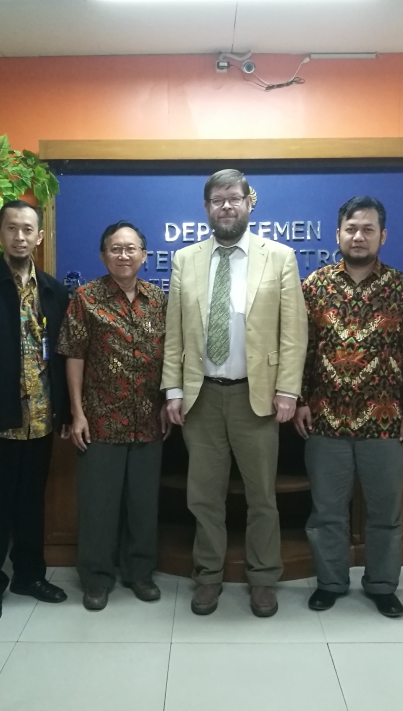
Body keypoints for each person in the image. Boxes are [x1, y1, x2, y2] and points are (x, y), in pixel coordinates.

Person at [162, 169, 308, 618]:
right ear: (207, 208)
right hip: (201, 397)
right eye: (217, 200)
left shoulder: (279, 257)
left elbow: (293, 332)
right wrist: (172, 389)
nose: (226, 206)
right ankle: (207, 576)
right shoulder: (185, 259)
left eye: (234, 198)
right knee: (203, 496)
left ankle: (263, 578)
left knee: (262, 496)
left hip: (256, 397)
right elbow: (174, 332)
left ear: (249, 203)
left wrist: (288, 390)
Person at [295, 196, 403, 617]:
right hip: (325, 420)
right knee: (326, 512)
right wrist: (300, 399)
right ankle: (330, 582)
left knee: (385, 513)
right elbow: (300, 349)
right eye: (351, 229)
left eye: (368, 229)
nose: (359, 236)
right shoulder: (314, 286)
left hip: (385, 423)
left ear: (382, 236)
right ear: (338, 234)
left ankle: (382, 584)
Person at [0, 200, 71, 624]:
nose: (20, 237)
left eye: (28, 230)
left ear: (39, 237)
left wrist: (64, 411)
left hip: (40, 418)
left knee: (31, 505)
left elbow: (60, 355)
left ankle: (29, 575)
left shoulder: (54, 290)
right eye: (12, 228)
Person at [58, 221, 170, 611]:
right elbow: (74, 356)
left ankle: (140, 572)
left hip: (149, 421)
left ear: (144, 255)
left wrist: (168, 402)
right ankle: (96, 578)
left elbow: (171, 356)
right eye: (116, 249)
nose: (124, 255)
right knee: (99, 506)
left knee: (143, 505)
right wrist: (77, 413)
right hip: (100, 420)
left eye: (131, 248)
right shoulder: (86, 298)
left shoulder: (158, 299)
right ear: (104, 255)